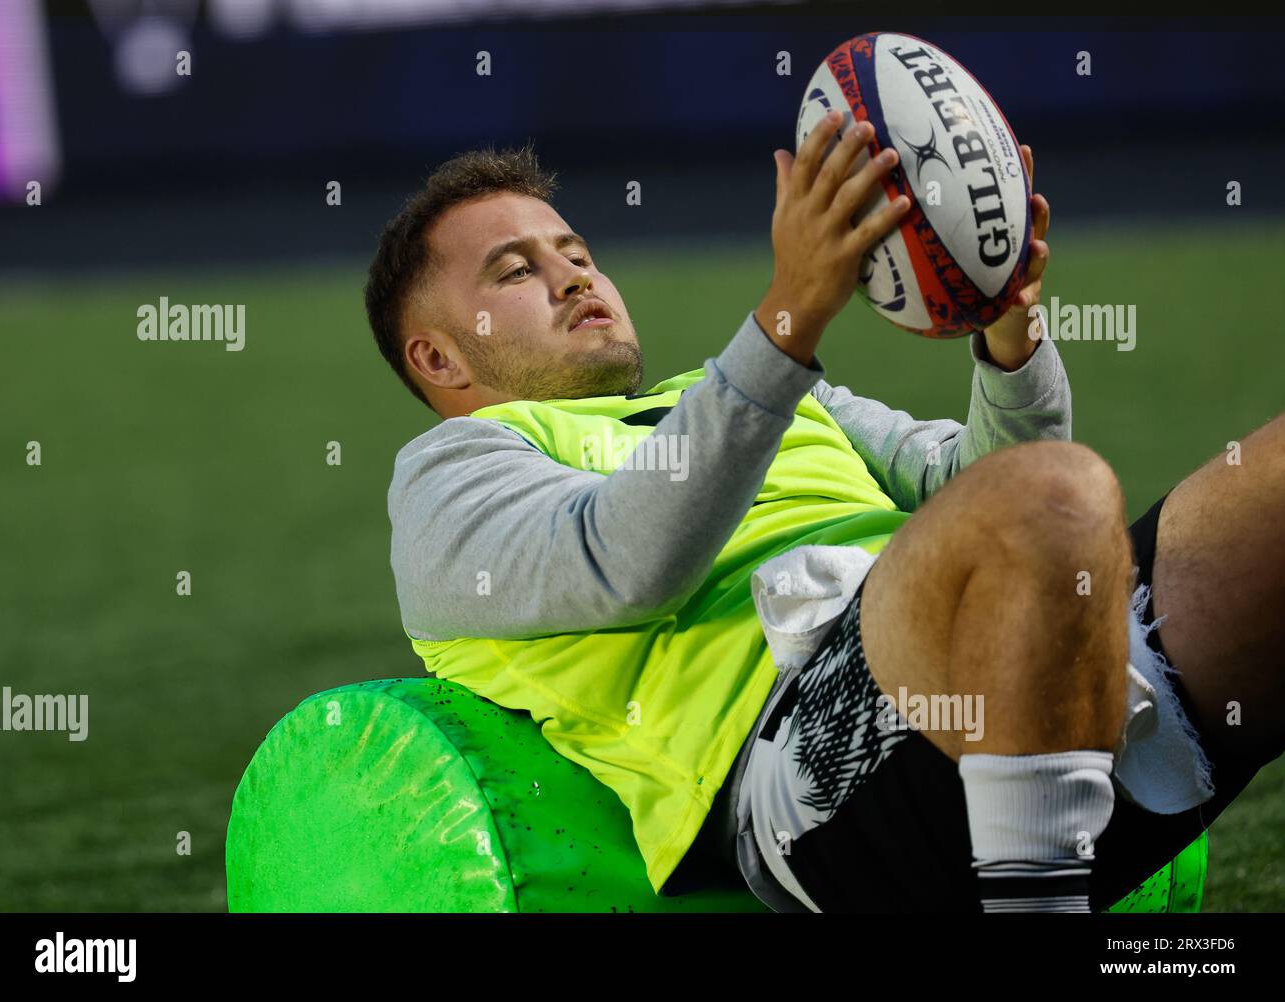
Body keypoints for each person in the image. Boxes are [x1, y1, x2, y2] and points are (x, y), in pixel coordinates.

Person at [363, 122, 1283, 912]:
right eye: (516, 271)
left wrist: (1008, 332)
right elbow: (620, 563)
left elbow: (994, 484)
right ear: (440, 359)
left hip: (1041, 689)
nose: (572, 278)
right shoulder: (453, 474)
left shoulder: (753, 398)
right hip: (810, 772)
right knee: (1053, 491)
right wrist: (789, 316)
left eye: (576, 253)